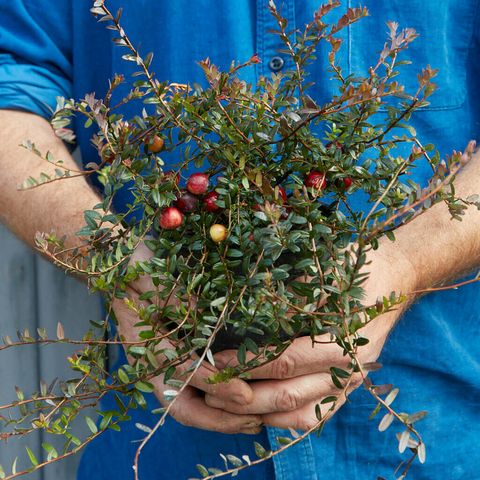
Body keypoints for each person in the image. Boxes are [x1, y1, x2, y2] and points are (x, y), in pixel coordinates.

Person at [1, 1, 479, 479]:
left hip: (445, 435)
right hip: (164, 451)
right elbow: (10, 90)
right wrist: (117, 259)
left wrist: (407, 264)